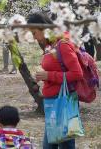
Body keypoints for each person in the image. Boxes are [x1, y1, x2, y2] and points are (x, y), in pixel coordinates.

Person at [27, 12, 83, 149]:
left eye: (34, 33)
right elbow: (57, 68)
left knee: (60, 144)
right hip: (53, 103)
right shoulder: (51, 46)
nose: (34, 38)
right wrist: (44, 76)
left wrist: (49, 76)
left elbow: (77, 74)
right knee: (56, 144)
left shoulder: (62, 44)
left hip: (62, 102)